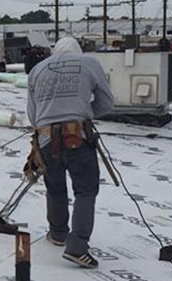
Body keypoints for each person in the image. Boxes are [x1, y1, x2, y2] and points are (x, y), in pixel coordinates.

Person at [26, 37, 114, 268]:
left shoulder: (36, 70)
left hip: (45, 139)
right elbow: (107, 102)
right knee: (85, 190)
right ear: (78, 50)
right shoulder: (89, 63)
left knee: (55, 187)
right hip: (77, 137)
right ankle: (77, 247)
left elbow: (33, 115)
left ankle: (57, 234)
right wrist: (83, 114)